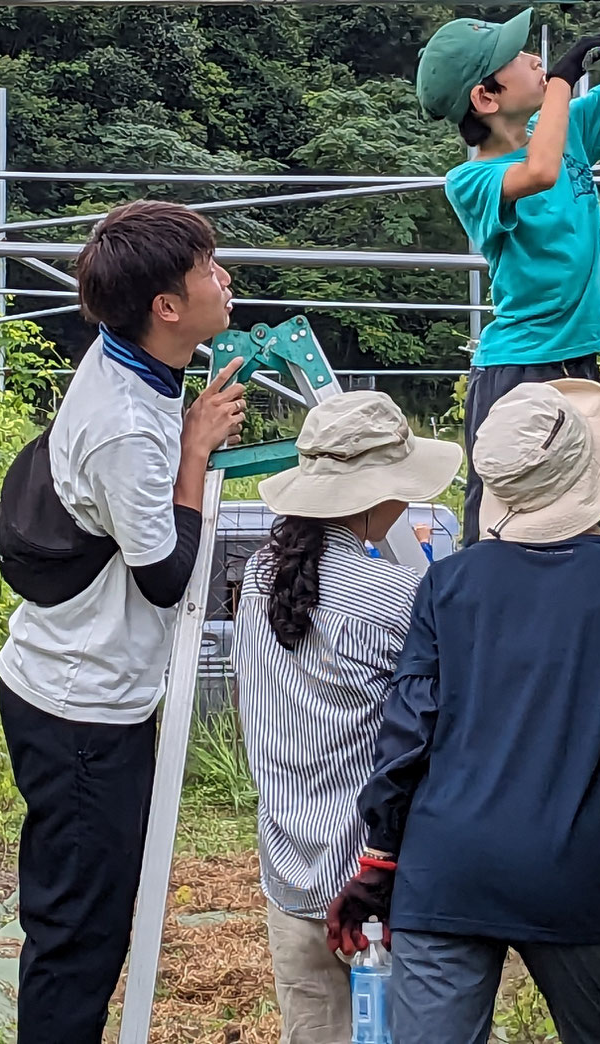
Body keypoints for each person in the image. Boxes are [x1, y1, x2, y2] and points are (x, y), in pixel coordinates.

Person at [326, 379, 600, 1044]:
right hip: (575, 871)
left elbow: (408, 729)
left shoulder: (447, 584)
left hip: (445, 872)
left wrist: (379, 858)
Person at [0, 199, 248, 1044]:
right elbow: (168, 575)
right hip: (81, 713)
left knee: (86, 920)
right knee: (79, 938)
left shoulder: (127, 362)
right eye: (208, 268)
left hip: (83, 690)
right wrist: (195, 450)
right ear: (166, 309)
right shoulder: (130, 430)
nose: (224, 278)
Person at [414, 0, 600, 541]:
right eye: (520, 58)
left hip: (574, 355)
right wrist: (562, 82)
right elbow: (540, 171)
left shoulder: (568, 125)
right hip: (520, 366)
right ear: (485, 97)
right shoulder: (472, 180)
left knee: (580, 514)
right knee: (501, 525)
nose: (536, 60)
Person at [233, 390, 462, 1044]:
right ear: (375, 492)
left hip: (290, 871)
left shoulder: (258, 577)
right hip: (379, 881)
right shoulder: (401, 596)